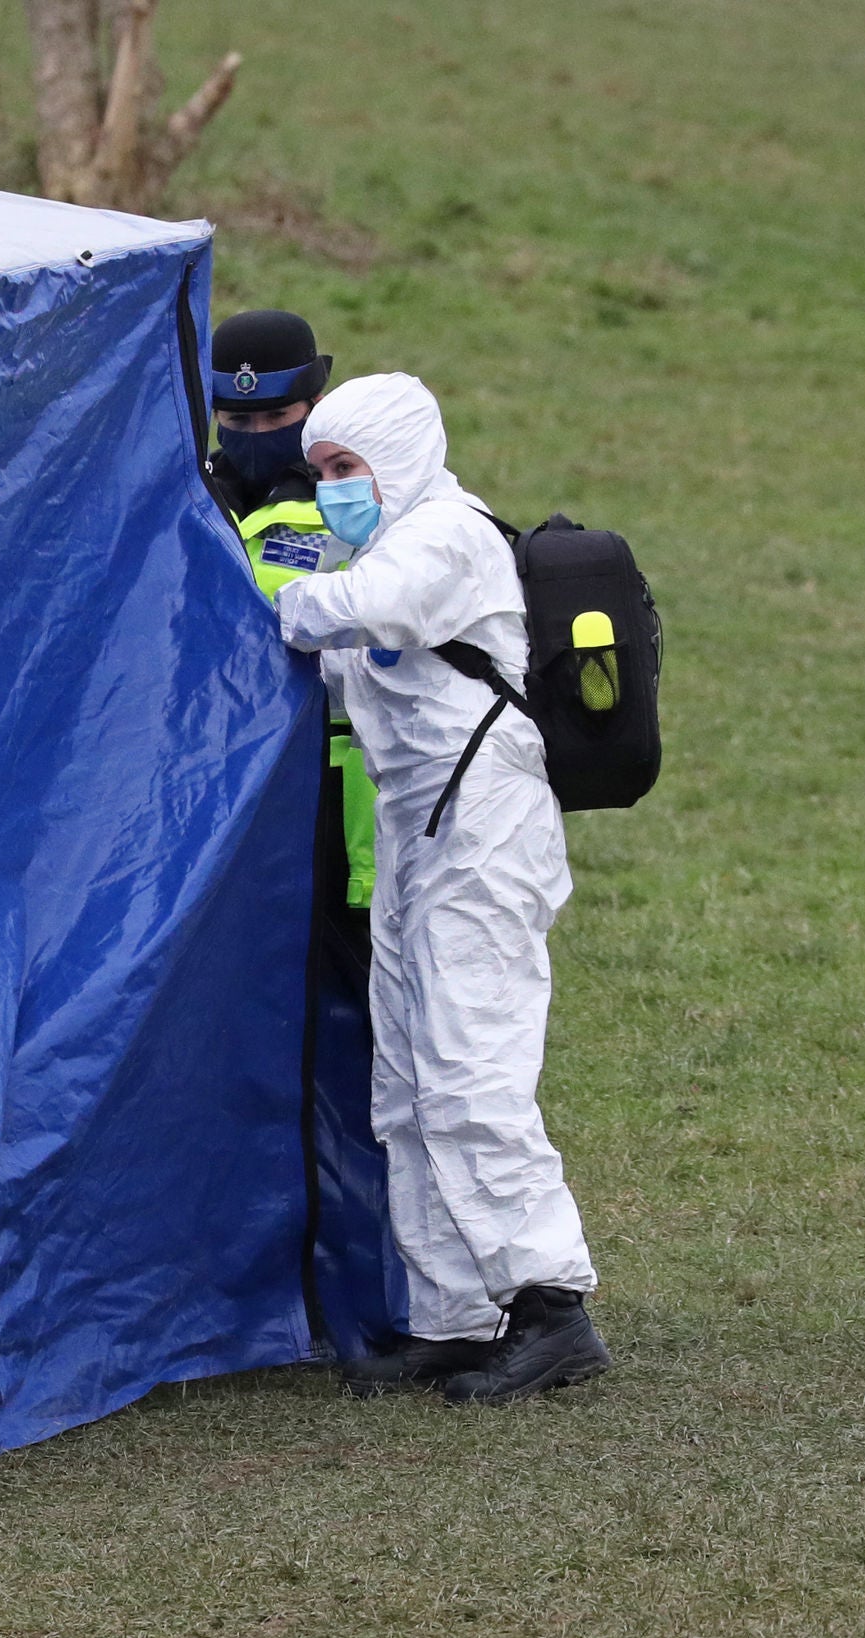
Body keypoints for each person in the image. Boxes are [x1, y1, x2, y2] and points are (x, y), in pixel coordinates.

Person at [272, 377, 610, 1402]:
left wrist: (262, 597)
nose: (330, 491)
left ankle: (549, 1303)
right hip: (422, 831)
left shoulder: (442, 537)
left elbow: (348, 613)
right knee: (410, 1080)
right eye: (319, 473)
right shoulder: (384, 547)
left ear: (399, 455)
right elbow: (346, 665)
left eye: (344, 470)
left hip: (485, 828)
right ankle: (455, 1317)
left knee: (471, 1065)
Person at [204, 308, 374, 912]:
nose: (257, 433)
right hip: (209, 762)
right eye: (238, 418)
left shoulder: (352, 501)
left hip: (324, 768)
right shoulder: (185, 498)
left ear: (315, 404)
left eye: (277, 416)